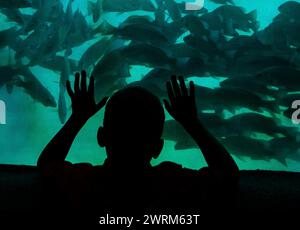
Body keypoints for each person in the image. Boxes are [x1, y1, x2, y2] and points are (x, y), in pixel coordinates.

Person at [37, 72, 239, 219]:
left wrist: (78, 118)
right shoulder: (174, 184)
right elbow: (228, 175)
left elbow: (47, 165)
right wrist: (191, 123)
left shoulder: (83, 183)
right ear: (158, 148)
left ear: (101, 137)